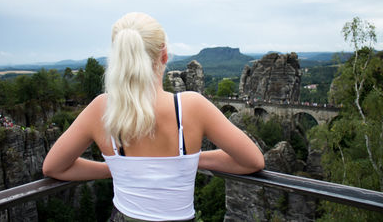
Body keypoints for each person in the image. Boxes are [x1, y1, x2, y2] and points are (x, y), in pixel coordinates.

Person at [42, 12, 264, 222]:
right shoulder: (192, 107)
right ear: (164, 54)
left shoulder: (101, 109)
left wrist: (113, 168)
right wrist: (189, 160)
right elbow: (252, 161)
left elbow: (54, 168)